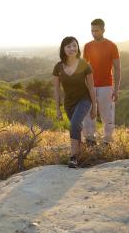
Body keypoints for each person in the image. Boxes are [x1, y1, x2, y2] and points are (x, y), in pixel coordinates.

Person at [53, 36, 96, 168]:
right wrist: (58, 109)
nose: (72, 48)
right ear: (63, 49)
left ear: (78, 47)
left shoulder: (84, 64)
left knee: (74, 124)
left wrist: (94, 106)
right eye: (68, 46)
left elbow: (91, 86)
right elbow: (56, 90)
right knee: (76, 127)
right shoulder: (58, 67)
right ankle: (81, 152)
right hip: (69, 104)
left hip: (84, 100)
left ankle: (73, 157)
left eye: (74, 45)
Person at [83, 18, 121, 146]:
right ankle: (90, 140)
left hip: (106, 86)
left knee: (107, 115)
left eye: (96, 30)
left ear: (103, 30)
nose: (94, 33)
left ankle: (107, 141)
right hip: (90, 86)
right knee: (88, 114)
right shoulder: (87, 46)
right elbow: (84, 68)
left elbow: (117, 68)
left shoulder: (112, 46)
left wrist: (116, 89)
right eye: (92, 30)